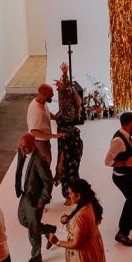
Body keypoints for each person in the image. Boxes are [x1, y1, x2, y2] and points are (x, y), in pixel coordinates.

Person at [14, 133, 55, 262]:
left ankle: (36, 257)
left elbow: (48, 182)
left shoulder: (40, 160)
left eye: (25, 147)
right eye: (20, 146)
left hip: (35, 200)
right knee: (22, 220)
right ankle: (48, 229)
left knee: (33, 229)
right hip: (25, 195)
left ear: (33, 145)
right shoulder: (22, 152)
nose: (22, 149)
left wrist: (42, 201)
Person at [104, 112, 132, 246]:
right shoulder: (118, 140)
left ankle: (125, 222)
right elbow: (107, 161)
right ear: (131, 122)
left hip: (128, 175)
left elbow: (125, 150)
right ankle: (122, 233)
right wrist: (125, 164)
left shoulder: (126, 135)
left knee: (131, 201)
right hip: (122, 177)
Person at [52, 62, 84, 201]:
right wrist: (64, 75)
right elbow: (68, 90)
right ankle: (71, 194)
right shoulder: (69, 104)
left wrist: (60, 159)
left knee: (67, 171)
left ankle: (71, 196)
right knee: (69, 171)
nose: (58, 90)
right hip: (69, 142)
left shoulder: (68, 112)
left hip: (69, 145)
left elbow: (68, 90)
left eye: (59, 89)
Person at [27, 84, 65, 168]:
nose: (53, 95)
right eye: (51, 94)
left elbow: (46, 112)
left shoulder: (41, 102)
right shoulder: (37, 111)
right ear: (43, 95)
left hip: (44, 139)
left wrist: (55, 118)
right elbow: (35, 132)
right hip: (40, 142)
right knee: (45, 162)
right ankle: (44, 179)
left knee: (46, 160)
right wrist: (54, 136)